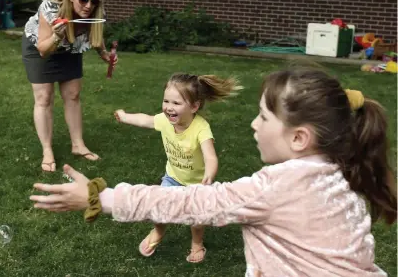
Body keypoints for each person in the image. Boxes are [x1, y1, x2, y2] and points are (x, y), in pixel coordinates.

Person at [30, 68, 397, 276]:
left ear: (299, 137)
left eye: (263, 117)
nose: (252, 125)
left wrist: (100, 197)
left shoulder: (274, 188)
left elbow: (190, 203)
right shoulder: (341, 176)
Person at [113, 72, 241, 263]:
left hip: (197, 184)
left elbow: (210, 157)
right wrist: (124, 116)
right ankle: (157, 232)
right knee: (159, 208)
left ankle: (197, 244)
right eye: (166, 101)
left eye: (176, 103)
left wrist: (209, 175)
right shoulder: (164, 121)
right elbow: (145, 119)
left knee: (197, 219)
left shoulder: (201, 128)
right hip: (173, 177)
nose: (169, 108)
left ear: (194, 106)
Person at [22, 0, 117, 172]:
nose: (88, 5)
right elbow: (43, 49)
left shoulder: (94, 12)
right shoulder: (50, 9)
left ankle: (78, 145)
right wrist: (57, 35)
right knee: (44, 97)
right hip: (43, 46)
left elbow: (96, 35)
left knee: (73, 95)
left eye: (93, 1)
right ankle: (47, 150)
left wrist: (104, 54)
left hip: (70, 48)